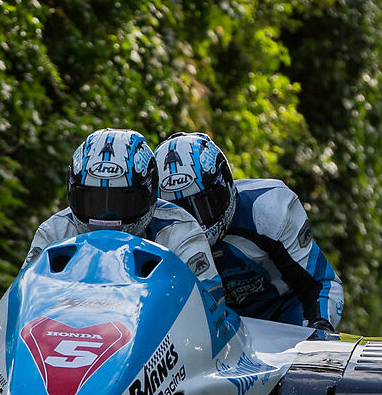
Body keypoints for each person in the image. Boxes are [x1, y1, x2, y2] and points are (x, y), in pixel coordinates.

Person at [152, 132, 347, 331]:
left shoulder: (268, 209)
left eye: (204, 205)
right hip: (215, 328)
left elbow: (320, 283)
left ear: (226, 184)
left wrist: (320, 327)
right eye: (179, 211)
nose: (195, 221)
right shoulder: (153, 230)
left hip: (286, 319)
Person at [24, 128, 229, 314]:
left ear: (149, 193)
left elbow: (211, 302)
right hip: (68, 328)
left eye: (121, 201)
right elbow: (24, 295)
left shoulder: (179, 228)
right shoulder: (55, 230)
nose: (105, 216)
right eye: (92, 200)